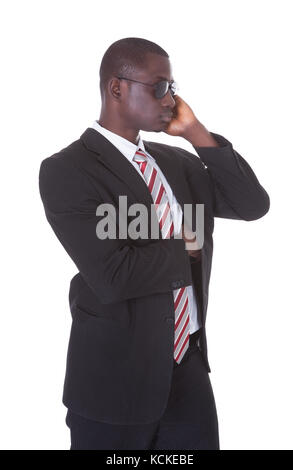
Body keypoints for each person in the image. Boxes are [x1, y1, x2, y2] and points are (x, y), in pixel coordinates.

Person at [38, 37, 270, 450]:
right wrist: (187, 250)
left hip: (188, 371)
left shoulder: (177, 162)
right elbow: (113, 276)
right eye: (159, 86)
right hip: (114, 384)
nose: (171, 99)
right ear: (116, 88)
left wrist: (197, 134)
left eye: (173, 87)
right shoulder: (67, 170)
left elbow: (252, 205)